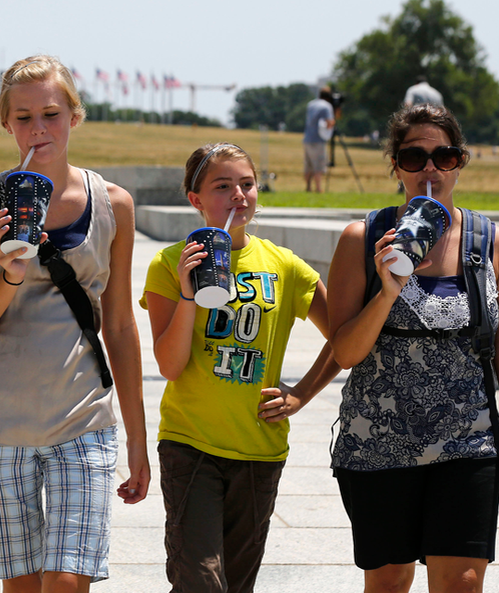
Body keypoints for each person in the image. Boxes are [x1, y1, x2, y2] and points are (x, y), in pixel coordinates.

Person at [0, 55, 149, 592]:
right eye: (24, 117)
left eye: (52, 114)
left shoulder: (114, 205)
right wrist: (8, 276)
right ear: (6, 124)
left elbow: (122, 327)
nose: (39, 129)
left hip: (82, 419)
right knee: (23, 586)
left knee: (65, 583)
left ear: (76, 117)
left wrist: (136, 438)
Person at [326, 103, 499, 593]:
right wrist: (386, 289)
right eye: (413, 157)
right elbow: (345, 352)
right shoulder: (361, 240)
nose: (429, 168)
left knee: (462, 583)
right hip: (378, 442)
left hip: (468, 440)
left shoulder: (494, 245)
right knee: (387, 582)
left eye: (443, 156)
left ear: (460, 162)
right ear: (396, 167)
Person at [141, 143, 341, 593]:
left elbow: (346, 339)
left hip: (259, 450)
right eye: (222, 186)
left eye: (246, 184)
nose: (239, 195)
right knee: (201, 582)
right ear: (195, 200)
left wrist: (302, 393)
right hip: (191, 444)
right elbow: (170, 365)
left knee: (237, 584)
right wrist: (190, 294)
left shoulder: (283, 265)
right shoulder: (168, 264)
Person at [303, 87, 336, 193]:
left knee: (308, 165)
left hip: (307, 138)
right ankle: (318, 188)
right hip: (318, 140)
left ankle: (308, 188)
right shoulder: (326, 106)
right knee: (318, 166)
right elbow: (329, 123)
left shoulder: (311, 104)